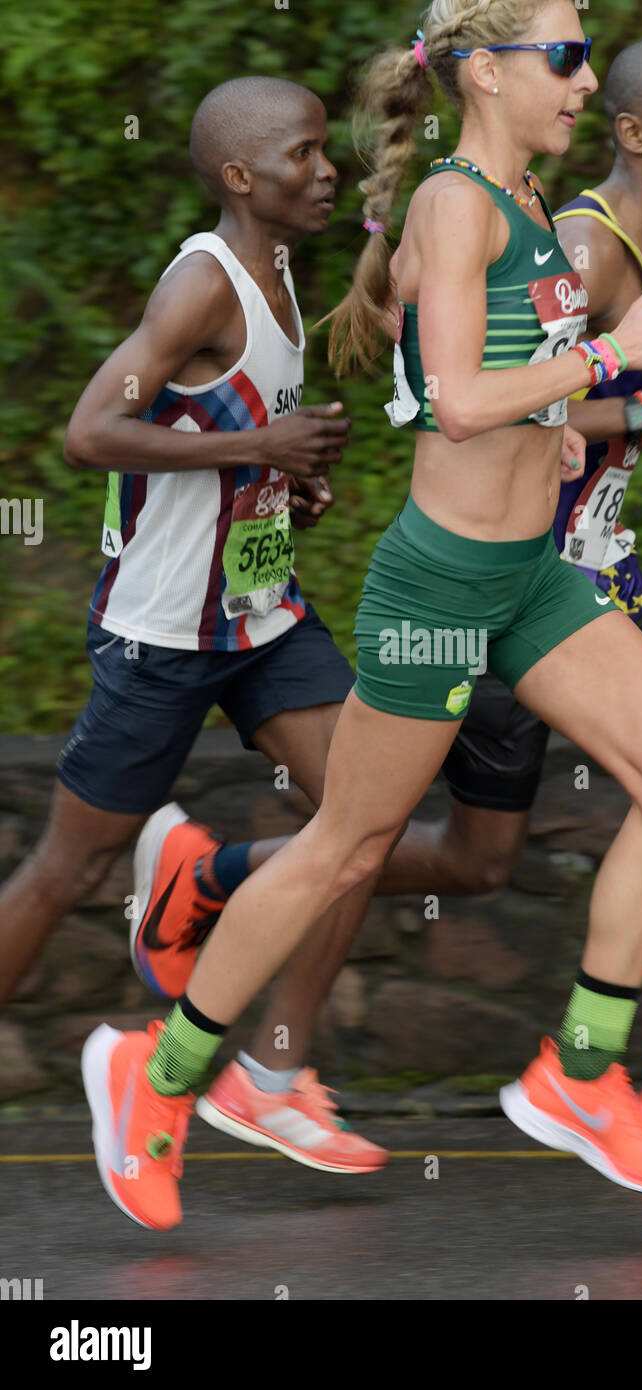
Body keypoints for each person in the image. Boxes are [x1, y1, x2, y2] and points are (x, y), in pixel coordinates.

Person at [82, 0, 642, 1233]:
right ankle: (155, 1075)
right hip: (440, 586)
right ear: (484, 72)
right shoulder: (456, 201)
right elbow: (460, 405)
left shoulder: (532, 205)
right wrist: (615, 360)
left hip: (533, 578)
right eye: (565, 55)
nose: (584, 81)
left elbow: (506, 398)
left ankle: (579, 1074)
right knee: (348, 848)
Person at [0, 75, 404, 1178]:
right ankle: (188, 886)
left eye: (328, 151)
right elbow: (92, 433)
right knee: (64, 870)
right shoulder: (201, 283)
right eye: (304, 155)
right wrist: (257, 454)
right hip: (162, 637)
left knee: (360, 824)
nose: (327, 171)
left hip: (261, 618)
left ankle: (269, 1072)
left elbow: (226, 429)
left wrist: (287, 485)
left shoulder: (279, 268)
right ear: (239, 177)